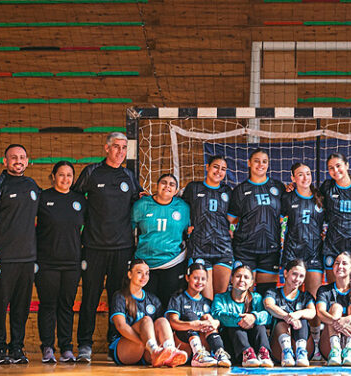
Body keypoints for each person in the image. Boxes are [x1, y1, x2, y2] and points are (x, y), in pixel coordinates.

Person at [73, 132, 143, 362]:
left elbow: (139, 202)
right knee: (90, 297)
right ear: (106, 148)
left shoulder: (129, 176)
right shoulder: (92, 172)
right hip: (93, 247)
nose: (120, 151)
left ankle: (114, 341)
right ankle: (84, 345)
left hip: (122, 248)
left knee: (117, 298)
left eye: (124, 147)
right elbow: (73, 200)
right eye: (116, 147)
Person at [0, 144, 40, 364]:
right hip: (2, 258)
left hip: (27, 259)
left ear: (27, 161)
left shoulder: (32, 186)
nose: (18, 161)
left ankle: (16, 349)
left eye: (22, 157)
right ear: (4, 161)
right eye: (13, 157)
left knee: (21, 307)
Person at [35, 161, 86, 363]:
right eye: (61, 175)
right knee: (48, 305)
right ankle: (47, 347)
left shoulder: (80, 200)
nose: (65, 179)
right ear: (53, 176)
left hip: (72, 263)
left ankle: (66, 348)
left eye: (69, 175)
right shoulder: (42, 198)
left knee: (66, 305)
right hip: (47, 263)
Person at [227, 149, 285, 297]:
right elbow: (231, 219)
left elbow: (282, 215)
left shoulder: (278, 187)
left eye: (264, 161)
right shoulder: (240, 190)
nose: (261, 164)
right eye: (257, 161)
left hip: (270, 249)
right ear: (249, 163)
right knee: (244, 294)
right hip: (245, 249)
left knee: (267, 294)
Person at [108, 259, 188, 367]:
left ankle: (170, 350)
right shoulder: (120, 296)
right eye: (139, 272)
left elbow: (162, 328)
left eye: (147, 273)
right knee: (146, 320)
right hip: (126, 348)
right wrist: (143, 343)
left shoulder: (152, 299)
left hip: (146, 350)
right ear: (130, 274)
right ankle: (154, 351)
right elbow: (120, 326)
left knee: (162, 320)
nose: (144, 277)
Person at [179, 155, 233, 298]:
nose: (219, 171)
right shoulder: (193, 188)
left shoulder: (228, 191)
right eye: (216, 167)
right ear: (207, 167)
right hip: (199, 248)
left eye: (223, 169)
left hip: (223, 248)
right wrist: (186, 228)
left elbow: (235, 216)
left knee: (220, 299)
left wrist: (232, 230)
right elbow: (180, 209)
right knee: (207, 299)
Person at [131, 173, 190, 303]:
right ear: (156, 186)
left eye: (172, 184)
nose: (167, 186)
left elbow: (188, 230)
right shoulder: (142, 205)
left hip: (172, 262)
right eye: (164, 182)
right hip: (146, 264)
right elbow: (130, 228)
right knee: (147, 306)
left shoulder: (183, 208)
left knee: (167, 304)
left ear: (175, 191)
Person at [166, 263, 232, 367]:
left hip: (205, 346)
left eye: (203, 279)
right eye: (196, 278)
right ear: (187, 278)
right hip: (184, 346)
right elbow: (173, 322)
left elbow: (217, 322)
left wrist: (215, 322)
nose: (199, 282)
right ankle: (197, 354)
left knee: (208, 318)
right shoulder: (178, 298)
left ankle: (219, 352)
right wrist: (193, 325)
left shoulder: (207, 302)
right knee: (190, 316)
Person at [316, 251, 351, 366]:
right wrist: (336, 322)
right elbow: (320, 312)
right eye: (337, 263)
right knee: (336, 307)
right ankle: (335, 350)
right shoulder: (325, 290)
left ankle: (349, 349)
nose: (340, 266)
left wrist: (347, 320)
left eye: (344, 263)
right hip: (328, 347)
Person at [319, 153, 351, 283]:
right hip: (333, 245)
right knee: (333, 292)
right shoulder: (327, 187)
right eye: (331, 168)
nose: (335, 170)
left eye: (338, 165)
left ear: (346, 165)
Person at [212, 265, 274, 367]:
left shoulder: (256, 298)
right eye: (238, 276)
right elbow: (217, 314)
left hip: (254, 345)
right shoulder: (220, 298)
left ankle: (263, 354)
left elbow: (268, 317)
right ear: (231, 279)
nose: (242, 280)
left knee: (260, 327)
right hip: (233, 346)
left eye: (246, 277)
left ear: (251, 283)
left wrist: (253, 317)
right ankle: (247, 353)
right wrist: (242, 319)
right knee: (235, 327)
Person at [281, 163, 326, 295]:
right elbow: (277, 220)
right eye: (300, 175)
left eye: (308, 174)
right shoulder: (287, 198)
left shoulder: (321, 198)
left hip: (314, 253)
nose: (305, 178)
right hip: (292, 252)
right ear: (293, 178)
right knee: (292, 298)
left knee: (313, 298)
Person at [264, 260, 317, 367]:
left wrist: (298, 314)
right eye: (294, 274)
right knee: (281, 321)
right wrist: (287, 317)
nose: (297, 279)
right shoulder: (273, 292)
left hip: (305, 346)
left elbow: (312, 312)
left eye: (301, 276)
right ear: (285, 273)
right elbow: (268, 305)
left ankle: (301, 352)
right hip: (278, 348)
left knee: (302, 317)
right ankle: (286, 352)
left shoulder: (306, 296)